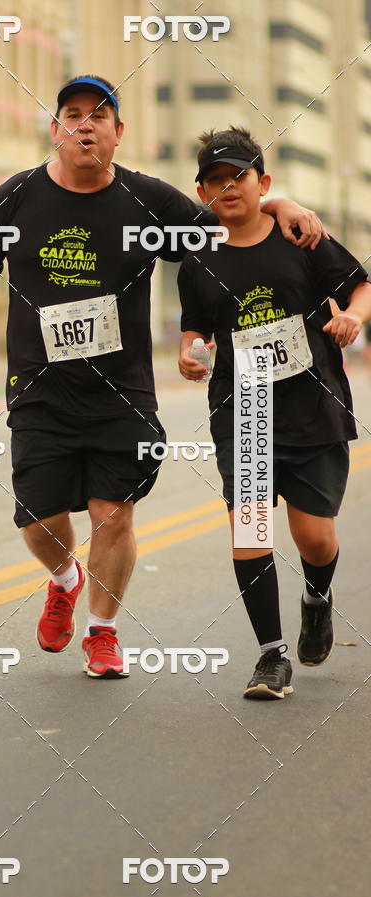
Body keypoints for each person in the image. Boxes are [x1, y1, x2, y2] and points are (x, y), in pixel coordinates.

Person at [0, 76, 325, 679]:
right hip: (40, 389)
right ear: (56, 130)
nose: (85, 124)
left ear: (118, 133)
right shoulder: (18, 196)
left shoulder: (147, 200)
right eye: (72, 114)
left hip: (121, 394)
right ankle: (65, 578)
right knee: (39, 517)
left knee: (113, 513)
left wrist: (279, 204)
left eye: (99, 115)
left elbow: (225, 221)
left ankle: (102, 633)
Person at [178, 126, 371, 699]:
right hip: (244, 411)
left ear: (262, 183)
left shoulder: (301, 236)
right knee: (250, 529)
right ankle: (270, 656)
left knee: (314, 538)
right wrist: (190, 352)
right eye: (215, 180)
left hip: (313, 407)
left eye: (237, 177)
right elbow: (195, 324)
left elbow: (360, 285)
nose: (227, 187)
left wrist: (354, 318)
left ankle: (317, 597)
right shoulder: (199, 259)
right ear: (203, 192)